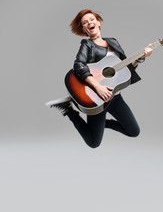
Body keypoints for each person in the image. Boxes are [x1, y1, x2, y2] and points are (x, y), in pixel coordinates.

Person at [50, 9, 152, 148]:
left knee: (134, 131)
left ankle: (104, 124)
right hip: (96, 97)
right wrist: (98, 87)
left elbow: (125, 71)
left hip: (114, 97)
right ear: (84, 29)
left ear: (98, 22)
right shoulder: (87, 45)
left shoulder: (113, 42)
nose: (89, 23)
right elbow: (78, 65)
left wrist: (140, 59)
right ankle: (68, 110)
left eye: (91, 19)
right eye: (85, 22)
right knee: (93, 143)